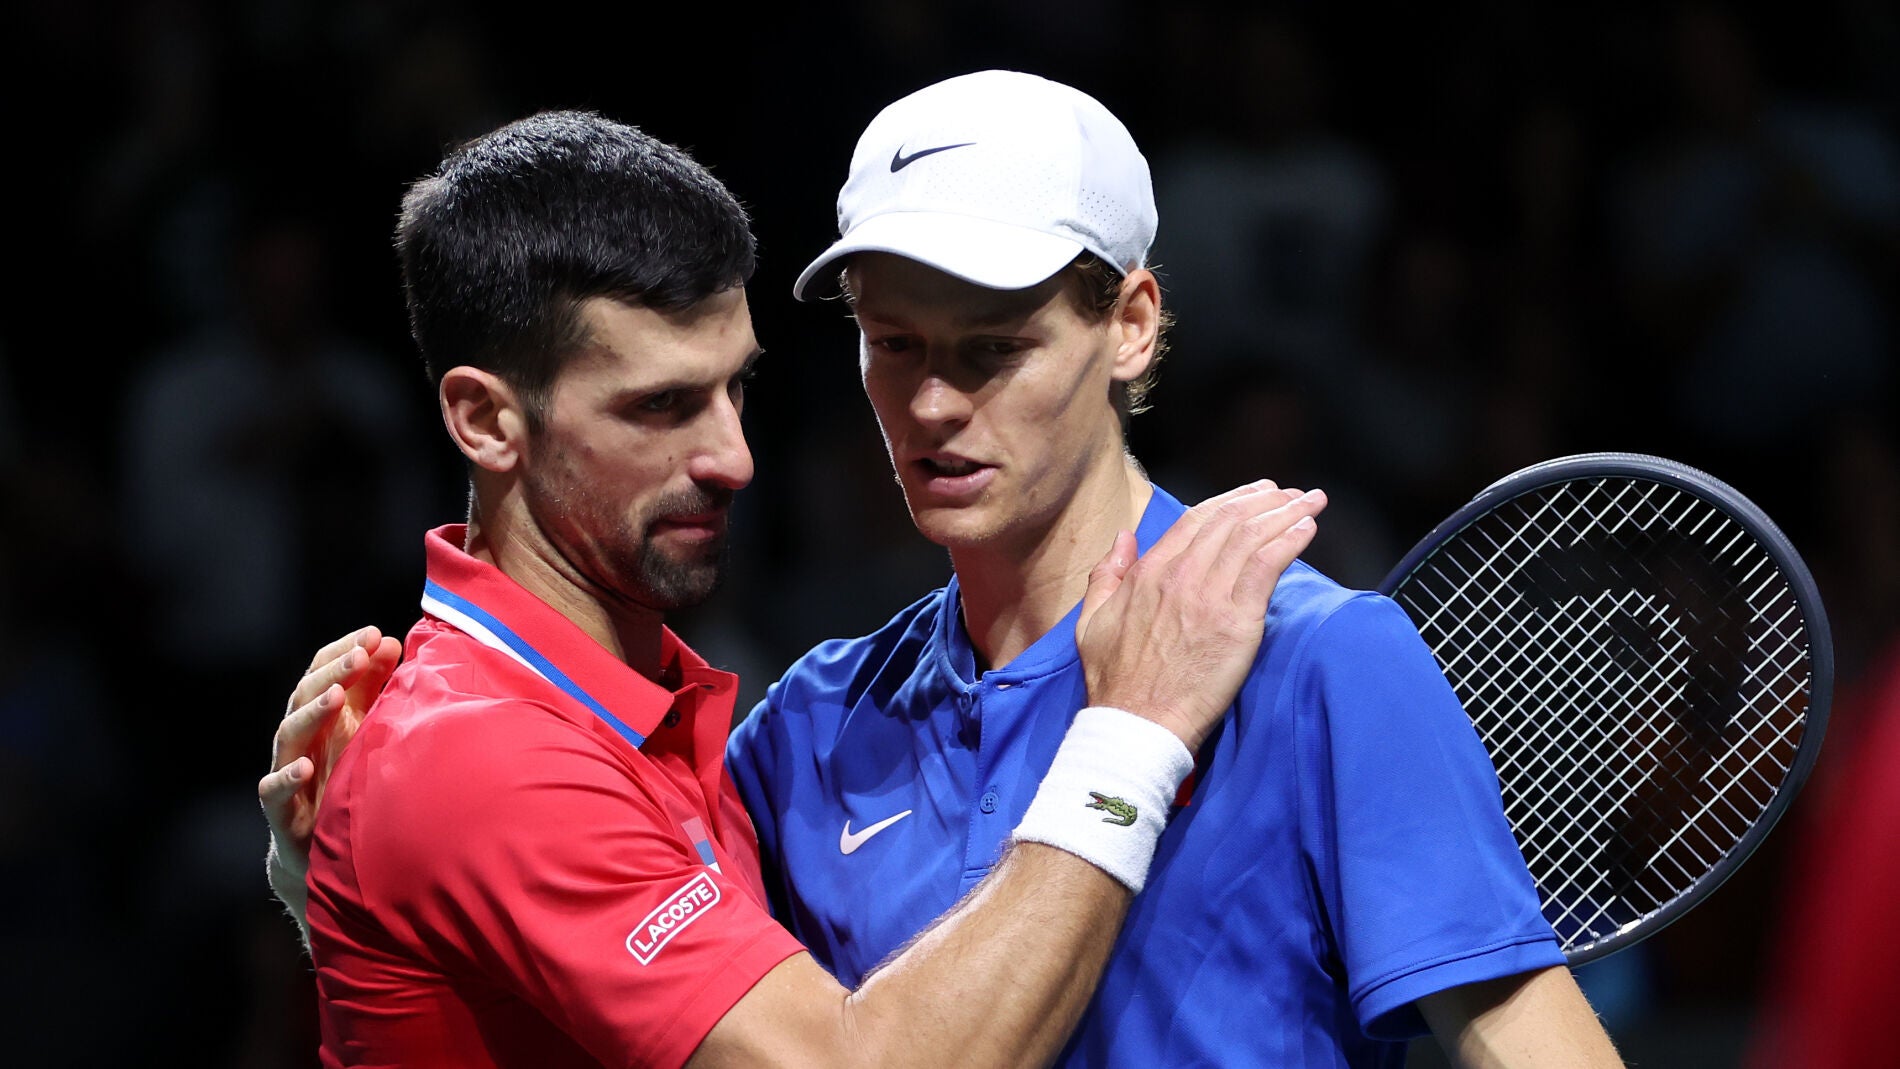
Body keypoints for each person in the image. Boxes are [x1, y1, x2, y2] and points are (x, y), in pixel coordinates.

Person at [267, 74, 1624, 1066]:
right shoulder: (805, 731)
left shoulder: (1321, 660)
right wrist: (349, 873)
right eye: (894, 344)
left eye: (993, 348)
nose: (929, 408)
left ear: (1132, 325)